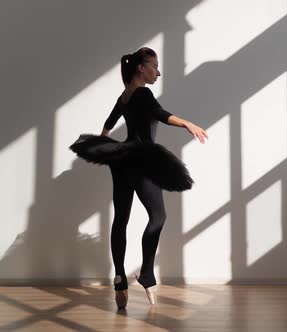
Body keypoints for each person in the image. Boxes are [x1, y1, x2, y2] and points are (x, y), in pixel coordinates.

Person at [70, 47, 208, 309]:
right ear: (140, 68)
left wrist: (105, 148)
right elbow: (161, 114)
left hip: (121, 160)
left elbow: (108, 126)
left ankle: (120, 278)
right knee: (159, 216)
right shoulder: (144, 93)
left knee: (121, 218)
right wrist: (188, 123)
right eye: (154, 66)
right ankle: (146, 273)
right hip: (141, 159)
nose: (158, 71)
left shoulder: (124, 96)